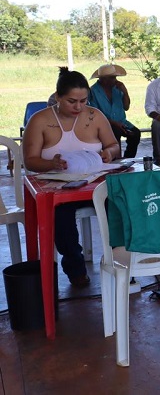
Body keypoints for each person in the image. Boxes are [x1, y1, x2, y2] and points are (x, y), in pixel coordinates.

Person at [23, 67, 120, 286]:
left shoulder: (95, 116)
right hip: (59, 187)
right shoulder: (40, 120)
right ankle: (75, 268)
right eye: (71, 101)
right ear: (57, 97)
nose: (78, 107)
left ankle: (121, 261)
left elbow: (114, 146)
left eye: (83, 101)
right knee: (61, 216)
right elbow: (30, 160)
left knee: (119, 206)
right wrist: (51, 164)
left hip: (94, 184)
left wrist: (108, 153)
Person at [88, 63, 141, 158]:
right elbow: (94, 114)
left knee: (136, 134)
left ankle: (128, 158)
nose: (115, 80)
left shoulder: (117, 88)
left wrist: (125, 92)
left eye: (115, 77)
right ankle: (115, 159)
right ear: (103, 79)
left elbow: (126, 107)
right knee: (115, 131)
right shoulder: (93, 91)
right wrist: (114, 123)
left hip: (122, 122)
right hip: (104, 124)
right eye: (112, 78)